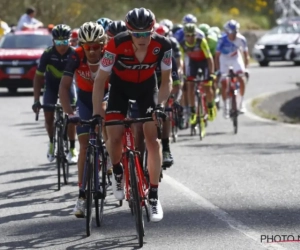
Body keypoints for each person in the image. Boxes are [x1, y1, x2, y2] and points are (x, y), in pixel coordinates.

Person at [92, 8, 172, 222]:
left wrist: (161, 105)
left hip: (147, 89)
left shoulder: (163, 46)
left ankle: (153, 196)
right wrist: (96, 113)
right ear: (129, 32)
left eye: (146, 33)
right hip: (120, 89)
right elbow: (100, 80)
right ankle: (117, 172)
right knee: (114, 135)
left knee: (153, 140)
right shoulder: (115, 44)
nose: (142, 38)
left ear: (153, 30)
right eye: (137, 34)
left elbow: (166, 80)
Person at [59, 22, 108, 218]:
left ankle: (111, 155)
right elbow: (64, 87)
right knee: (85, 146)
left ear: (103, 45)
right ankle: (81, 195)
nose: (92, 51)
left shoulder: (109, 56)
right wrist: (70, 113)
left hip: (107, 96)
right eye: (87, 47)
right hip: (85, 100)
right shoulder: (75, 55)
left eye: (96, 46)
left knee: (110, 125)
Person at [32, 24, 78, 164]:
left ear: (70, 41)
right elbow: (38, 77)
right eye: (58, 42)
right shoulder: (47, 54)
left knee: (71, 116)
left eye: (65, 42)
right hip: (51, 86)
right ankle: (52, 143)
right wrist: (36, 100)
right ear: (53, 42)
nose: (62, 46)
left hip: (69, 86)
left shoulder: (75, 53)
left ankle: (72, 148)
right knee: (48, 116)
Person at [180, 23, 215, 128]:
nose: (190, 38)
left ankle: (210, 106)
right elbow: (183, 61)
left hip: (203, 62)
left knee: (207, 86)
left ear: (196, 35)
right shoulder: (182, 44)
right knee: (189, 85)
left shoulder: (201, 42)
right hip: (192, 63)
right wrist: (183, 74)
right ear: (185, 36)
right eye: (188, 35)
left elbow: (209, 58)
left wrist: (212, 73)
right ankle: (192, 111)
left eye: (192, 35)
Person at [215, 20, 249, 117]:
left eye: (235, 33)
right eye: (231, 34)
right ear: (226, 32)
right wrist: (218, 70)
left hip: (235, 58)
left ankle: (241, 103)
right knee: (224, 83)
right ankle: (225, 106)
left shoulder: (241, 39)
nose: (233, 36)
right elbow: (217, 56)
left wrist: (246, 68)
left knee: (241, 78)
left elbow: (246, 55)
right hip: (224, 59)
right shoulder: (221, 39)